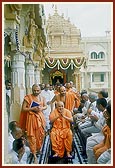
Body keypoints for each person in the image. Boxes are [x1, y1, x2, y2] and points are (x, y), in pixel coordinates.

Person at [19, 84, 47, 163]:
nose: (36, 92)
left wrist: (41, 108)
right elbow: (23, 109)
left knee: (40, 135)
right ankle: (34, 155)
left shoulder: (42, 97)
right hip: (31, 119)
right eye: (34, 90)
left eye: (37, 90)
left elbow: (45, 106)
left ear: (40, 90)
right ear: (32, 90)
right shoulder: (28, 97)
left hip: (40, 118)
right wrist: (32, 108)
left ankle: (38, 149)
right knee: (32, 137)